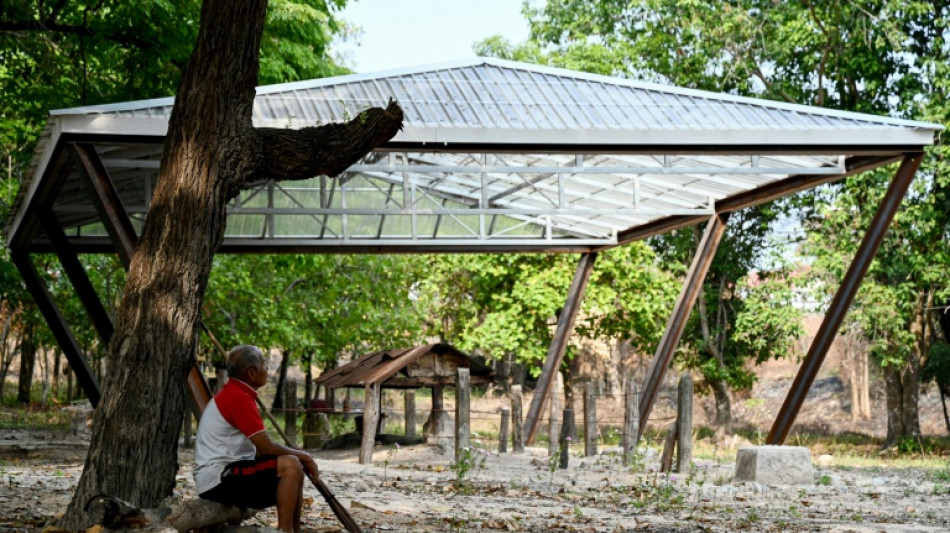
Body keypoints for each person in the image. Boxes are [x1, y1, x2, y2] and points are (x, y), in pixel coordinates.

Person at [194, 344, 318, 533]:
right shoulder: (238, 398)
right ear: (251, 373)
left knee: (294, 467)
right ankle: (286, 530)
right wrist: (305, 456)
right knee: (291, 464)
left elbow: (260, 451)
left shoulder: (238, 394)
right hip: (219, 478)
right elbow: (266, 449)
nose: (267, 369)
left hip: (225, 476)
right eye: (264, 364)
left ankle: (293, 529)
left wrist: (299, 456)